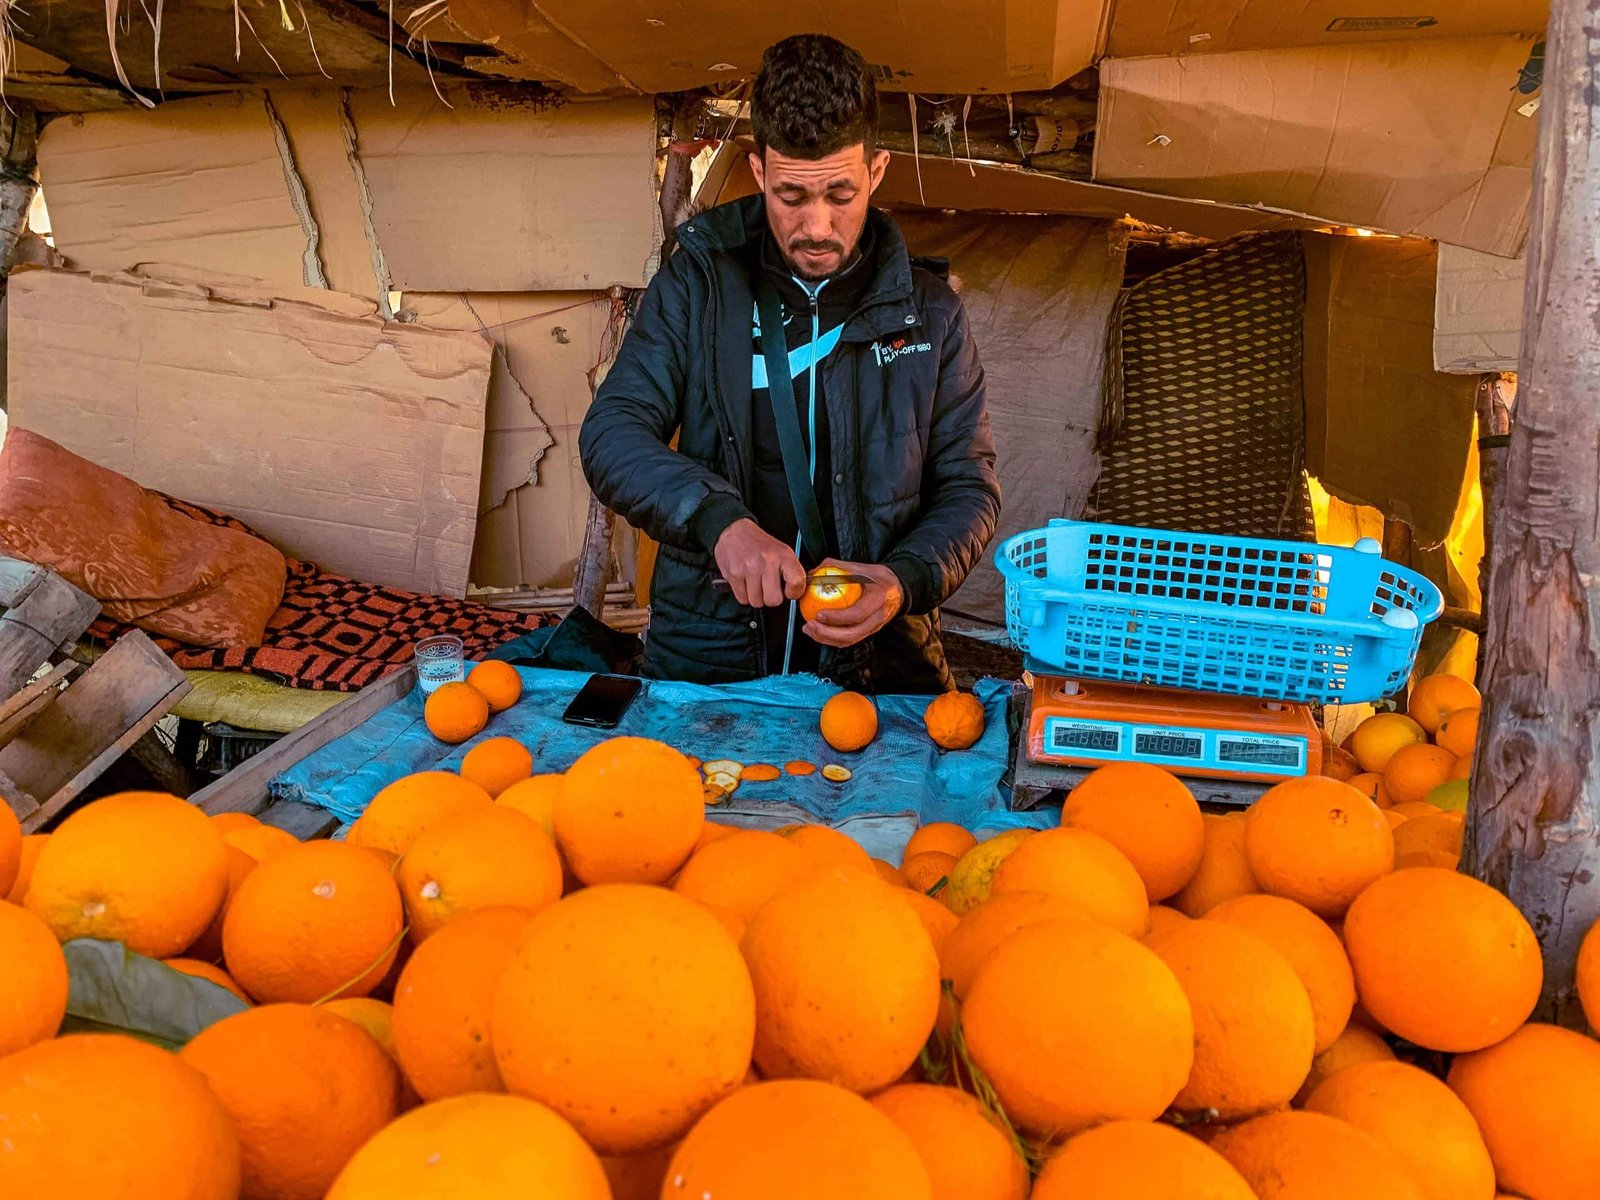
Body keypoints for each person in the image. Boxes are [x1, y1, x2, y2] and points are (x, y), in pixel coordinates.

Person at [579, 33, 1000, 694]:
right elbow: (613, 433)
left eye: (841, 194)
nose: (817, 227)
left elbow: (968, 485)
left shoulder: (930, 313)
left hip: (880, 667)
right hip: (709, 657)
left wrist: (902, 581)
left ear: (878, 171)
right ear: (758, 173)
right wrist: (716, 521)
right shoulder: (698, 287)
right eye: (792, 197)